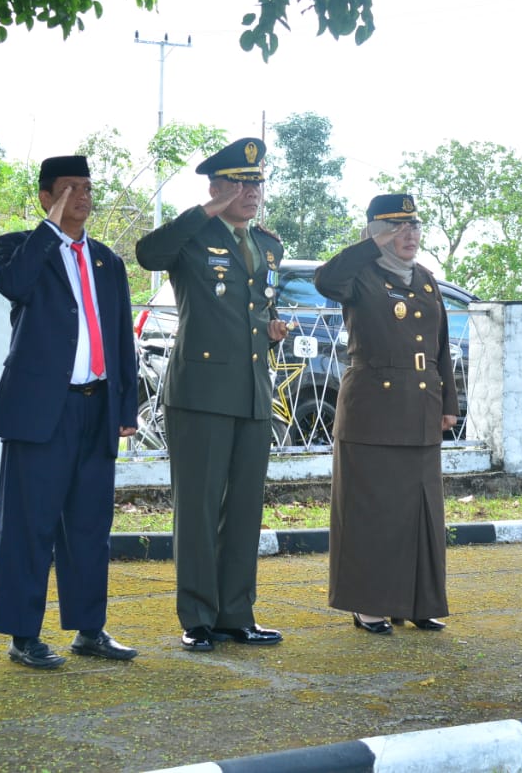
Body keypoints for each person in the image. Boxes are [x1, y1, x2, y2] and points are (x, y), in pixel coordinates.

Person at [0, 155, 140, 669]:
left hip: (96, 407)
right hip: (39, 410)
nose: (83, 197)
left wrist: (126, 407)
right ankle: (22, 633)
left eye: (89, 188)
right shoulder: (18, 248)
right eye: (70, 189)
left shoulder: (107, 261)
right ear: (46, 197)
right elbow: (14, 286)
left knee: (90, 525)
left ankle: (89, 628)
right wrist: (49, 230)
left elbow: (121, 338)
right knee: (30, 525)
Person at [135, 137, 289, 652]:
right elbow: (147, 253)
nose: (252, 192)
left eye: (257, 182)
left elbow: (251, 307)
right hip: (200, 391)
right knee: (198, 508)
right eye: (241, 183)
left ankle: (235, 614)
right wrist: (204, 211)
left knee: (244, 508)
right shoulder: (193, 236)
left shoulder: (268, 245)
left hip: (251, 390)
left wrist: (270, 325)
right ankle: (197, 616)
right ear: (216, 186)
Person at [314, 194, 458, 635]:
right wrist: (370, 245)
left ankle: (418, 602)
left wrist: (449, 405)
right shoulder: (360, 275)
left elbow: (440, 348)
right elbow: (324, 278)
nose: (409, 234)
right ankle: (369, 603)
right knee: (372, 512)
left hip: (421, 410)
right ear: (376, 232)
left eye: (414, 225)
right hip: (373, 410)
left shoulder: (427, 279)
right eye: (397, 226)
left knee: (421, 511)